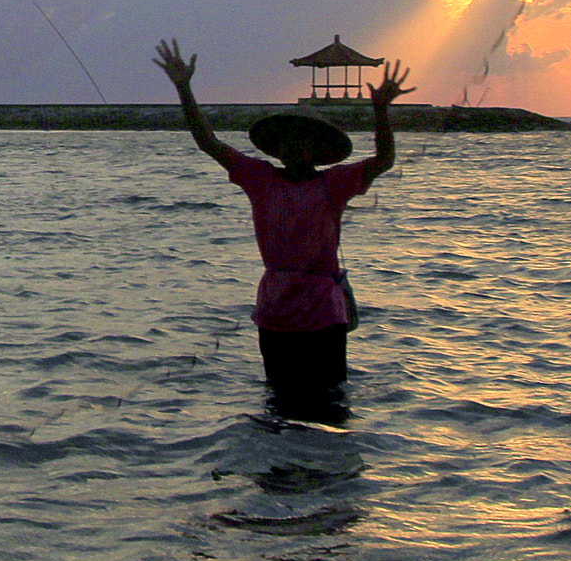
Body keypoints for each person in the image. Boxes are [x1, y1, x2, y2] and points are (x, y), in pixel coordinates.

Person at [152, 39, 414, 413]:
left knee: (330, 401)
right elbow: (208, 142)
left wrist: (380, 111)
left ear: (316, 151)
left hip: (324, 308)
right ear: (278, 149)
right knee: (277, 400)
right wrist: (184, 87)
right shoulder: (259, 178)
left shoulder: (333, 183)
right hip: (276, 305)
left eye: (302, 143)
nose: (294, 149)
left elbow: (384, 160)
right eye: (288, 143)